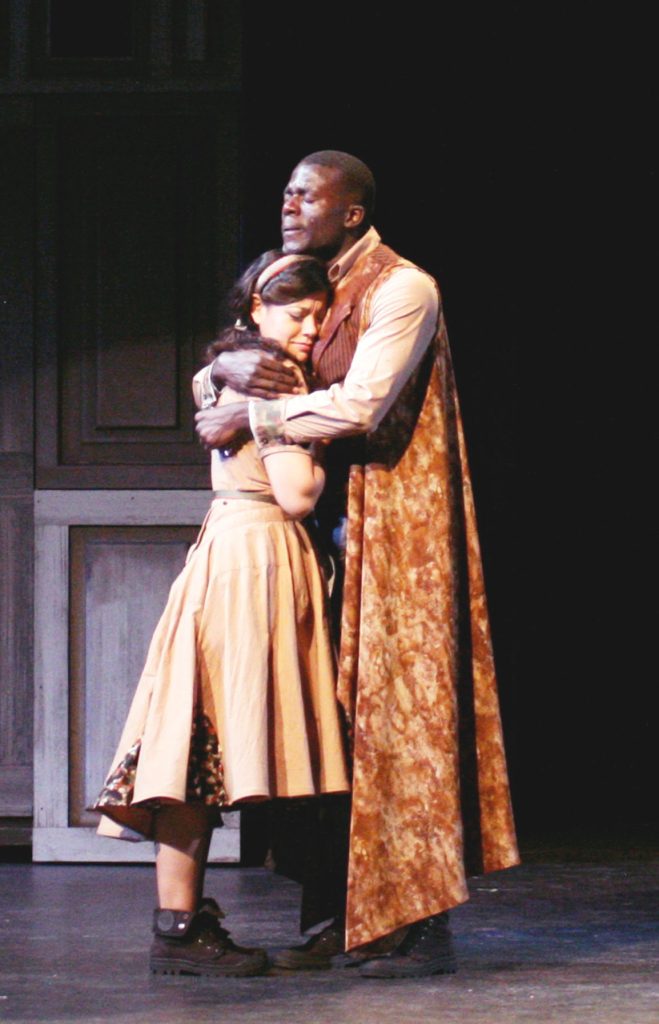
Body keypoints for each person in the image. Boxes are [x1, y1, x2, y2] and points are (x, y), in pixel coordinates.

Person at [195, 150, 520, 979]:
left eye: (307, 194)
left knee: (399, 720)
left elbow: (363, 403)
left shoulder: (402, 286)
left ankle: (412, 921)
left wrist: (253, 413)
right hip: (314, 533)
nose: (288, 204)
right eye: (285, 192)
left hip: (397, 533)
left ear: (352, 211)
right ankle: (336, 916)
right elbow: (243, 342)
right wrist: (220, 370)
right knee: (326, 723)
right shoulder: (306, 285)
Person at [93, 250, 350, 978]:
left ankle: (178, 924)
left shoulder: (223, 371)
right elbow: (297, 494)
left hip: (224, 547)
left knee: (195, 736)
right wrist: (317, 434)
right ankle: (209, 928)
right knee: (215, 734)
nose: (310, 328)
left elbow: (207, 380)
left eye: (318, 316)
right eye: (296, 313)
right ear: (255, 310)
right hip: (259, 557)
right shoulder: (277, 379)